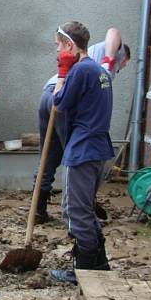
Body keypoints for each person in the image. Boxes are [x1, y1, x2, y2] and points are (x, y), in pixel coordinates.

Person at [34, 27, 129, 223]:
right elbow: (113, 31)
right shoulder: (99, 63)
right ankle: (80, 208)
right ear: (123, 56)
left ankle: (38, 209)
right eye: (124, 63)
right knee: (77, 157)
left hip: (48, 94)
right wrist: (110, 59)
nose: (123, 67)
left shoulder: (84, 63)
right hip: (60, 96)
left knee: (49, 155)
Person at [49, 22, 114, 284]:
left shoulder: (80, 71)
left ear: (69, 46)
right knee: (82, 208)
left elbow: (59, 103)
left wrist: (63, 72)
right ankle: (98, 263)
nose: (57, 52)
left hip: (84, 149)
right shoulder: (98, 70)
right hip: (96, 147)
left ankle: (86, 271)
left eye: (58, 46)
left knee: (75, 211)